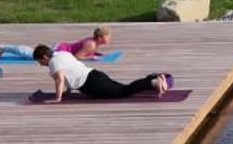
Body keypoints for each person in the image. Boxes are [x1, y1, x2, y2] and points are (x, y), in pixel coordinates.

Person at [32, 43, 169, 103]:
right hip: (94, 75)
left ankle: (153, 81)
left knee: (124, 91)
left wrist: (58, 98)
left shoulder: (53, 63)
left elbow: (60, 80)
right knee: (124, 88)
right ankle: (153, 79)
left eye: (39, 61)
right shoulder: (62, 53)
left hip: (92, 84)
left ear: (44, 57)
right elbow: (71, 70)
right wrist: (68, 91)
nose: (40, 64)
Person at [0, 26, 113, 61]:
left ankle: (5, 48)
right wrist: (93, 57)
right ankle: (3, 47)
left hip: (62, 48)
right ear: (101, 37)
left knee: (32, 53)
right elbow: (77, 57)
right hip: (59, 51)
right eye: (108, 36)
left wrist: (96, 54)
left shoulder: (93, 43)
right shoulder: (91, 44)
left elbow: (84, 51)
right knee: (32, 55)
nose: (110, 38)